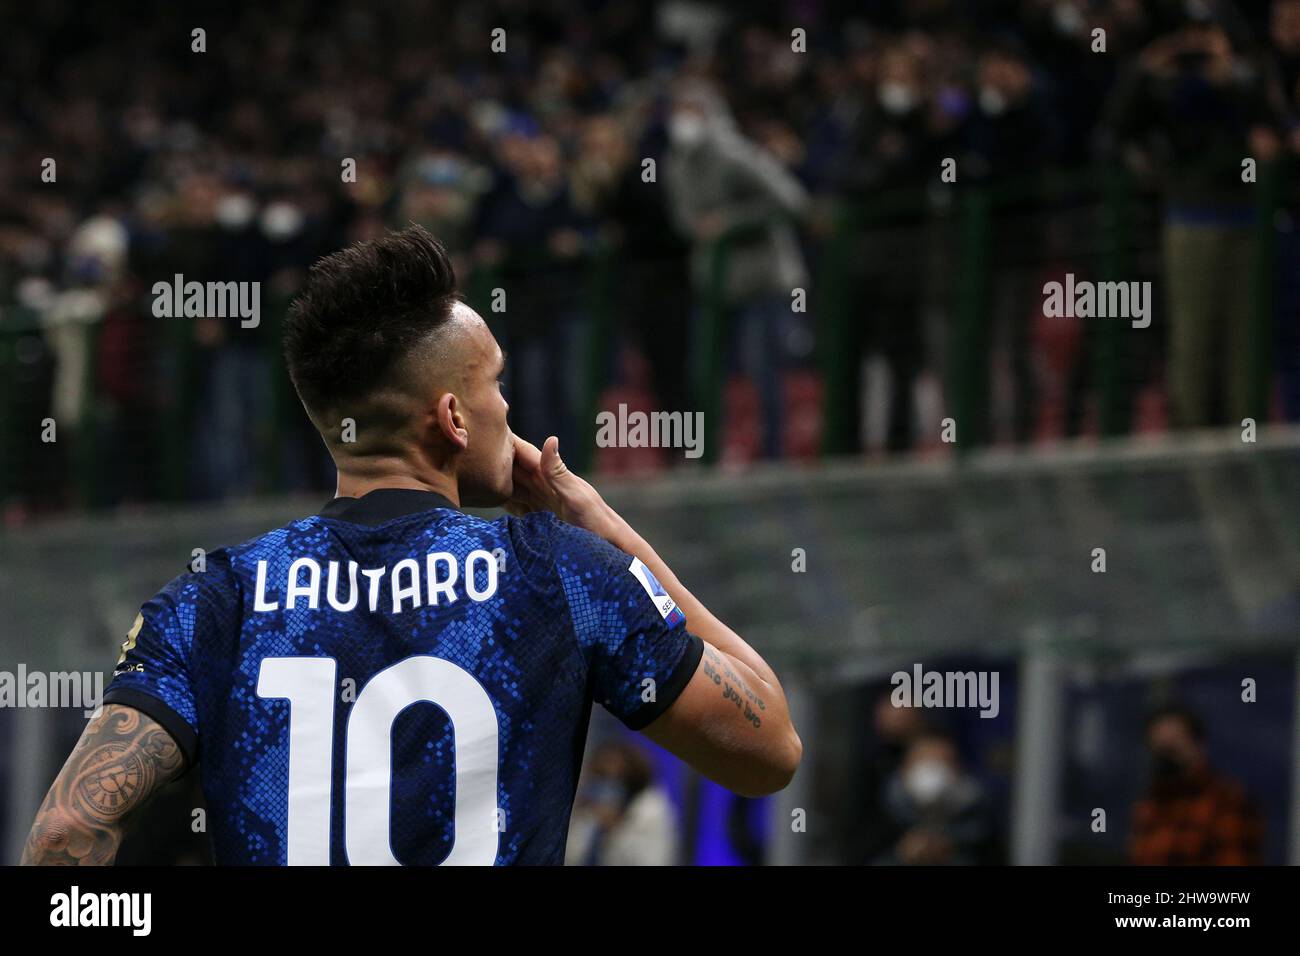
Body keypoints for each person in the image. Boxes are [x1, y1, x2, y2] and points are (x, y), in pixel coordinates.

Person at [20, 225, 801, 866]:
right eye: (496, 384)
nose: (508, 404)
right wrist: (605, 527)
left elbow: (63, 835)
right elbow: (768, 747)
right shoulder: (559, 572)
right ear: (455, 419)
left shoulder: (215, 599)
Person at [1129, 705, 1263, 865]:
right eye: (1159, 750)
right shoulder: (1149, 805)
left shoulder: (1226, 801)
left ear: (1199, 745)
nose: (1165, 758)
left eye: (1173, 748)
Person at [565, 740, 678, 866]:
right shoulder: (588, 804)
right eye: (599, 775)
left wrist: (614, 828)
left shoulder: (652, 811)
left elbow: (649, 861)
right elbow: (571, 856)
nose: (604, 785)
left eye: (611, 778)